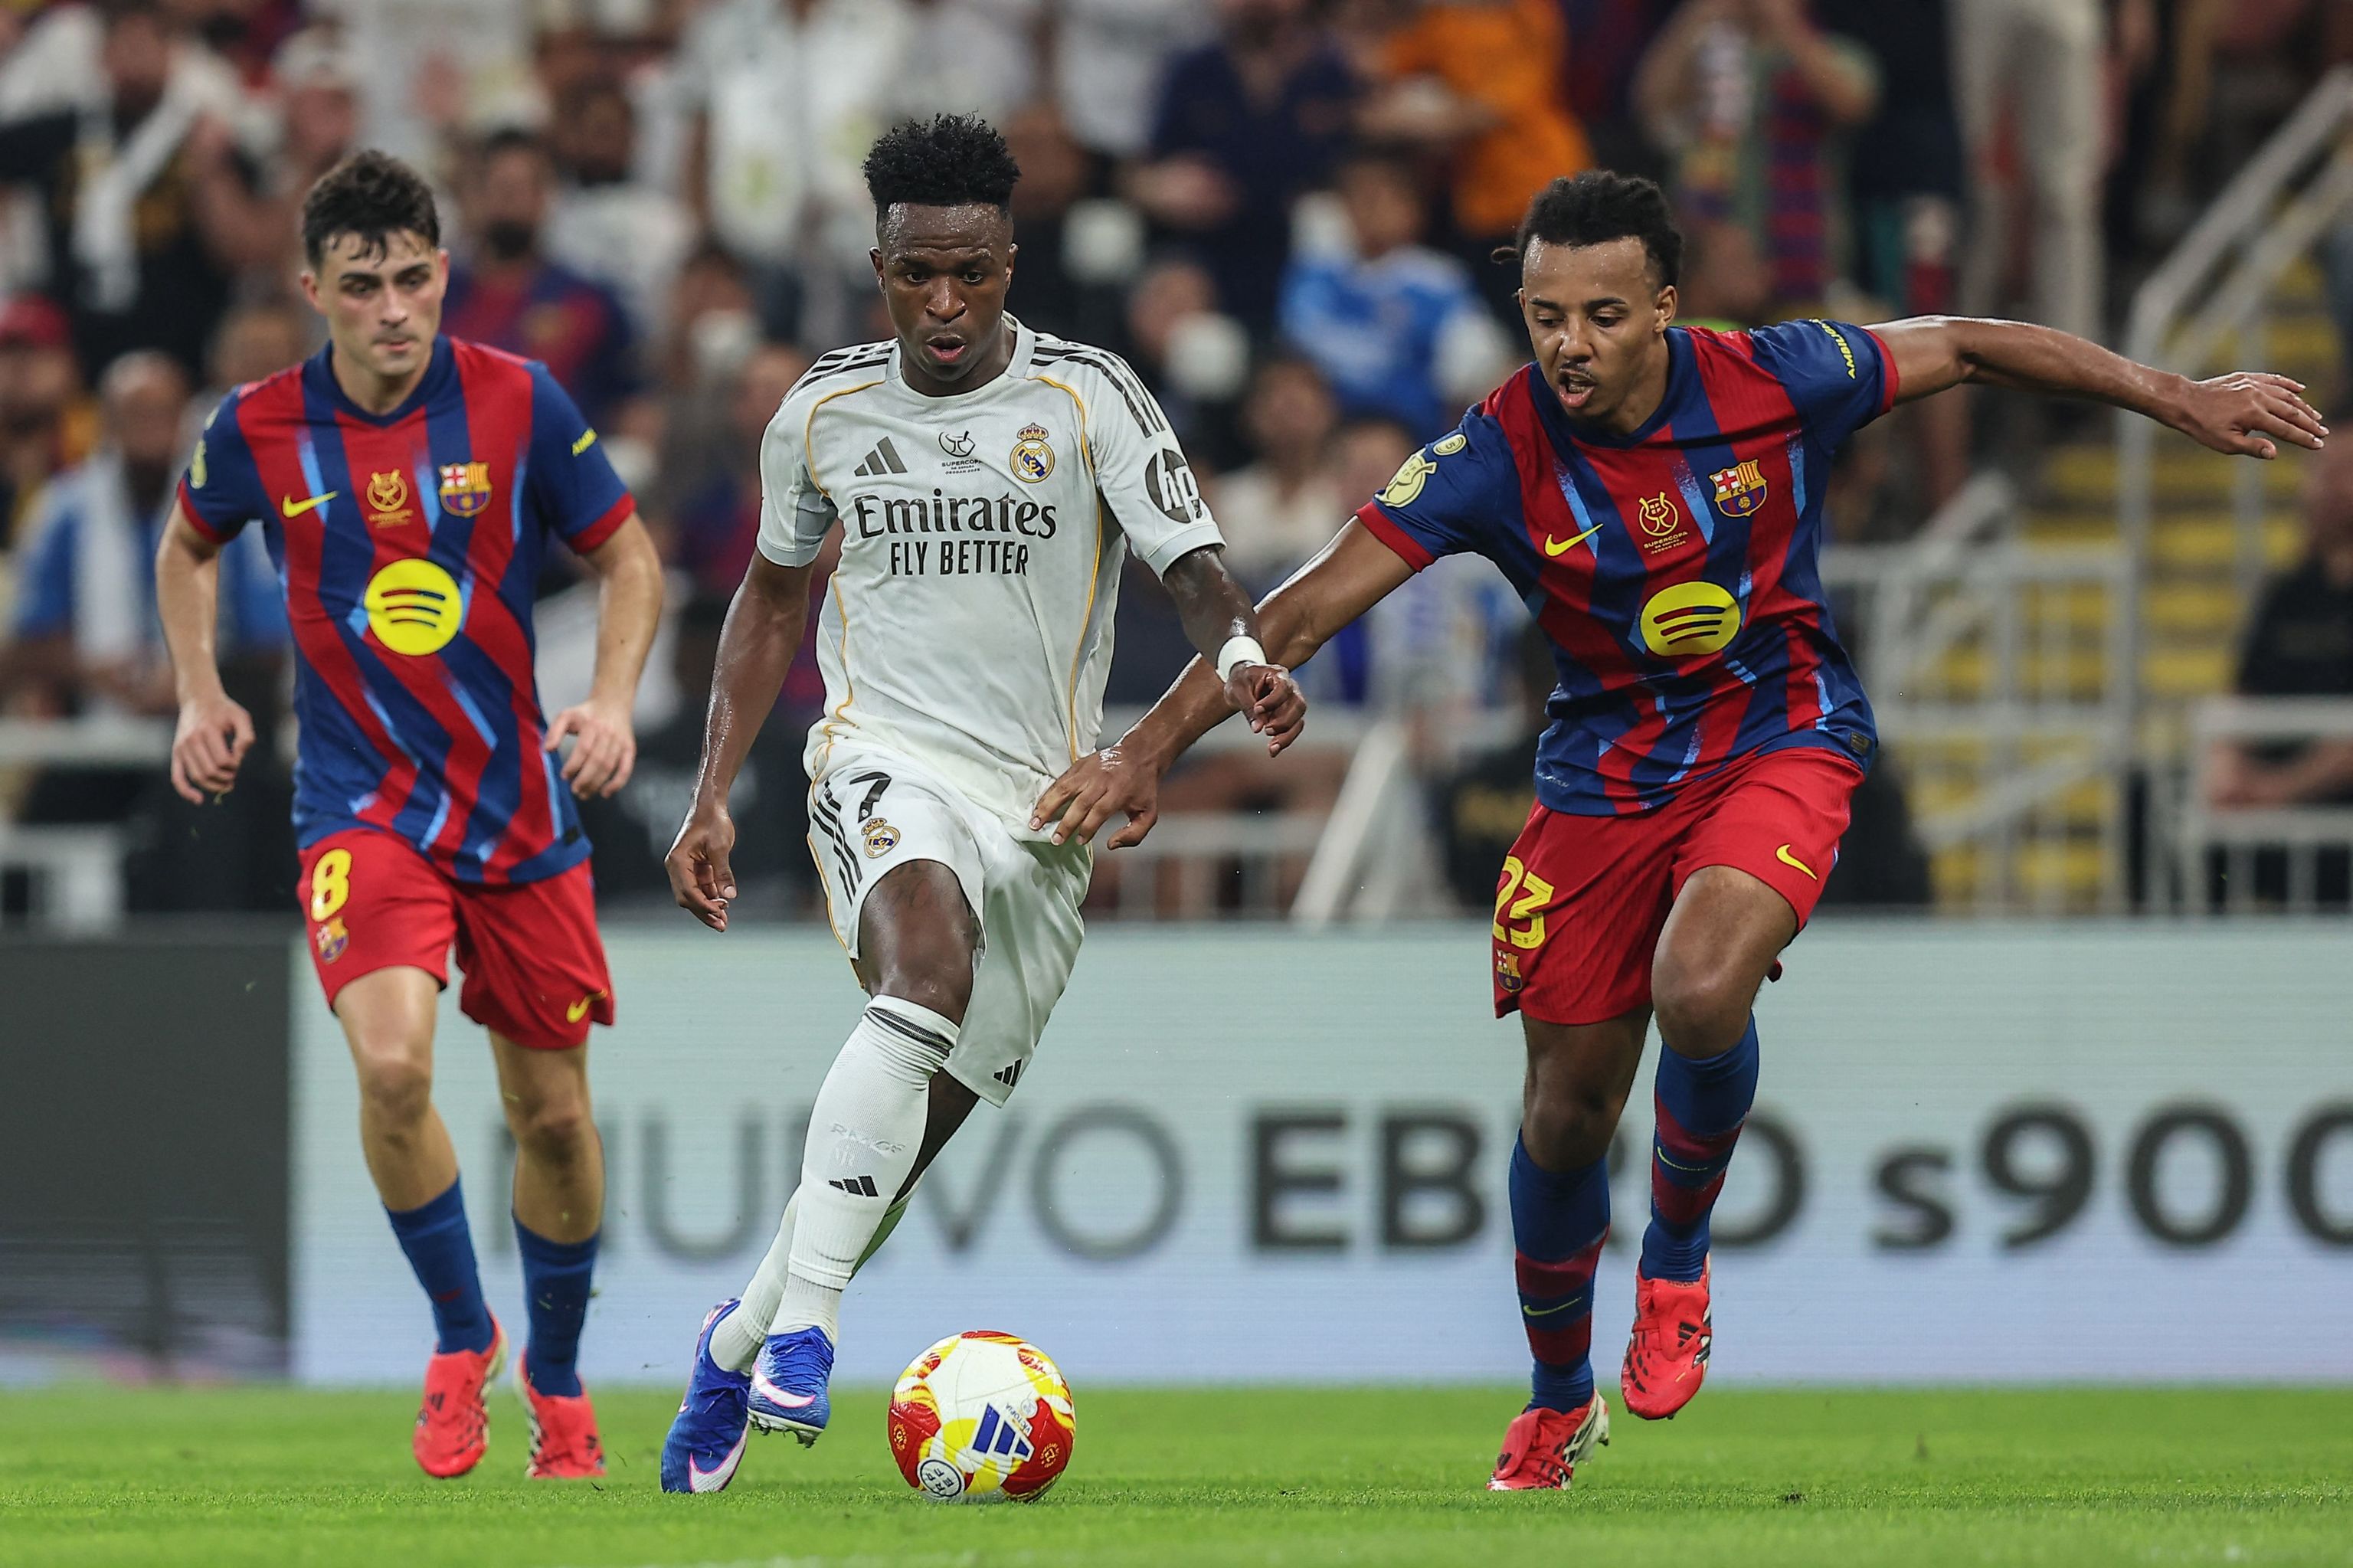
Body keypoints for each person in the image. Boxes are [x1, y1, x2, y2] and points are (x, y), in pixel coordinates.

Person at [1034, 170, 2322, 1491]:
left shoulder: (1779, 376)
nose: (1568, 346)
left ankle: (1678, 1262)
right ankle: (1555, 1398)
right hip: (1602, 776)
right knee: (1563, 1115)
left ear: (1664, 304)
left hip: (1783, 727)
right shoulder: (1499, 452)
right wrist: (1145, 749)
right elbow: (1306, 606)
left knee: (1701, 987)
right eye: (1543, 316)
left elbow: (1976, 345)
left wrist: (2174, 392)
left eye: (1599, 315)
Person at [656, 113, 1303, 1494]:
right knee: (924, 965)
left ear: (1012, 258)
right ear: (877, 262)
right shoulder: (822, 412)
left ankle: (738, 1341)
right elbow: (773, 596)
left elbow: (1189, 564)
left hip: (1044, 812)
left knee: (910, 1131)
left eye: (972, 274)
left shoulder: (1092, 396)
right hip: (882, 753)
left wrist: (1240, 656)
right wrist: (712, 792)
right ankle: (814, 1335)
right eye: (915, 276)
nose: (943, 306)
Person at [152, 151, 665, 1481]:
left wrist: (608, 704)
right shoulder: (260, 425)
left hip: (519, 815)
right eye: (365, 284)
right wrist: (199, 692)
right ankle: (459, 1340)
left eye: (417, 277)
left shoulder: (519, 401)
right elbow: (186, 542)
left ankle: (554, 1377)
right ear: (312, 287)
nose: (396, 307)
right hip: (358, 808)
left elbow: (630, 557)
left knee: (552, 1118)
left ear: (445, 272)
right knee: (391, 1072)